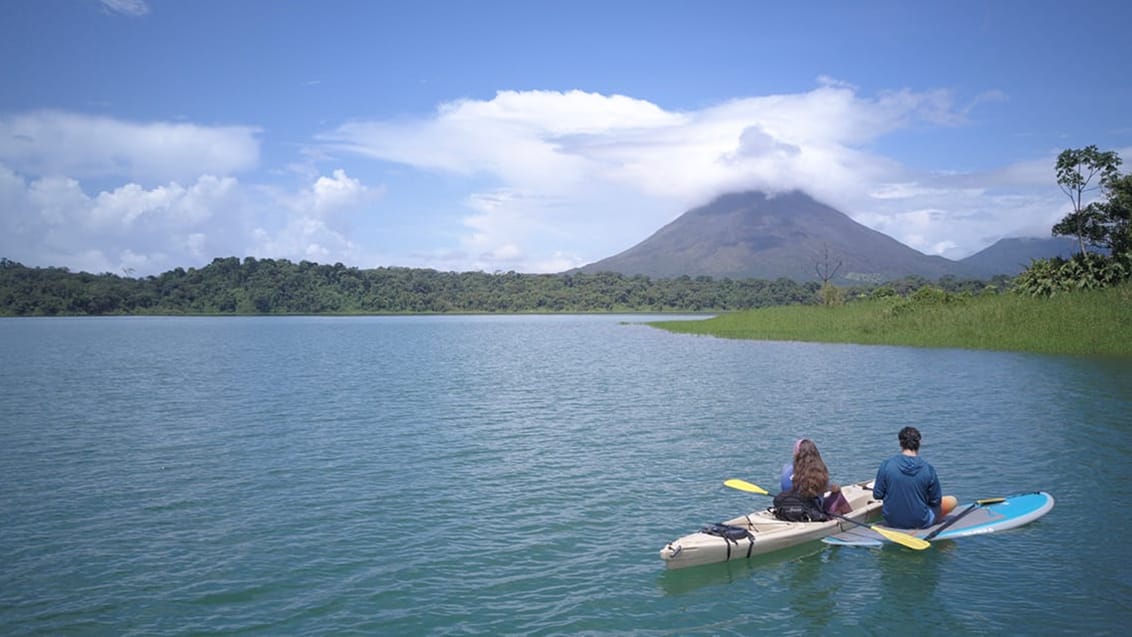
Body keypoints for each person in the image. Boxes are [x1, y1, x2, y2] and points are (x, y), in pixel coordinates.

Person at [873, 426, 958, 529]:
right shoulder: (928, 469)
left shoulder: (886, 465)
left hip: (892, 521)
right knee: (952, 501)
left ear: (900, 443)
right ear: (919, 443)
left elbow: (877, 495)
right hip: (921, 522)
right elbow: (935, 500)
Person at [780, 438, 852, 516]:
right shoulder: (817, 473)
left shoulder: (786, 469)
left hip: (788, 508)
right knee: (837, 494)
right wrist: (835, 488)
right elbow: (823, 488)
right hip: (810, 512)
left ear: (796, 454)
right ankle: (849, 518)